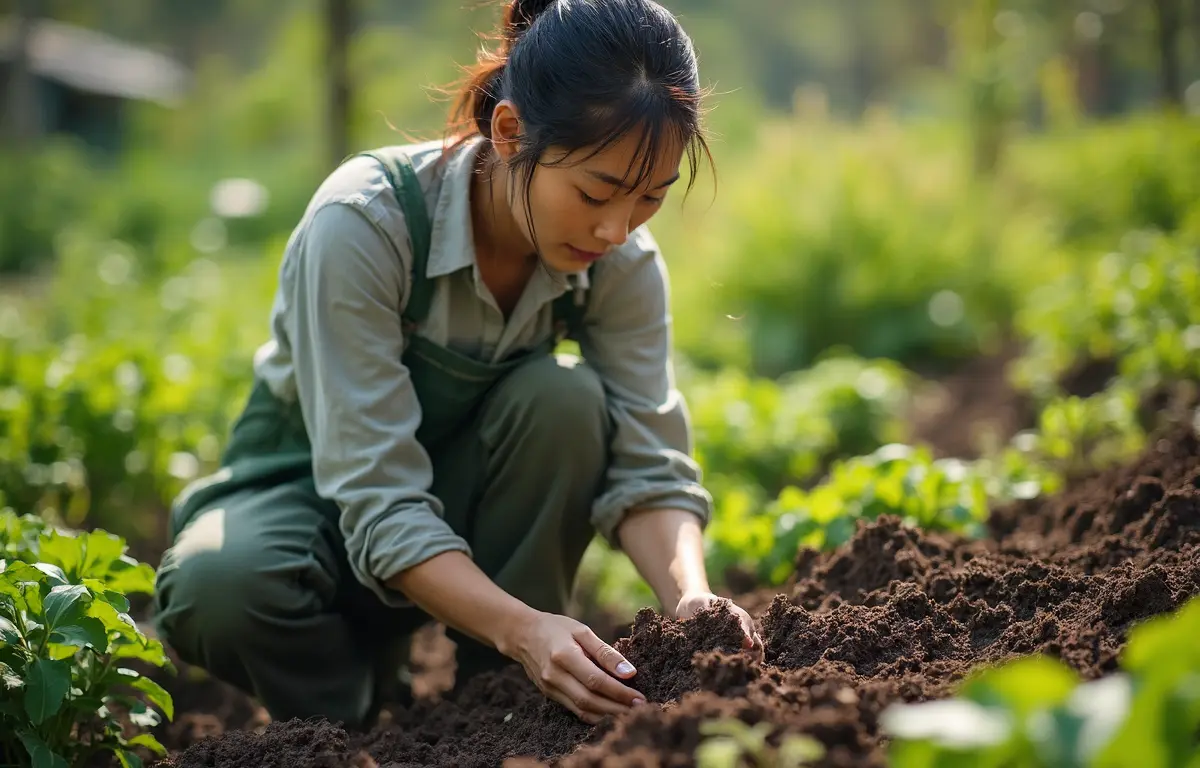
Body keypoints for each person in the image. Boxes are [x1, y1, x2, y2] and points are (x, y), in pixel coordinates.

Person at [151, 0, 760, 732]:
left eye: (650, 197)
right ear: (509, 134)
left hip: (463, 506)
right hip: (312, 509)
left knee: (561, 401)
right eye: (595, 192)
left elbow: (649, 459)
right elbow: (377, 497)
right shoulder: (365, 224)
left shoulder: (618, 257)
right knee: (217, 587)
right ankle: (355, 721)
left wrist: (690, 599)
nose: (616, 227)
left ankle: (501, 704)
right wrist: (523, 624)